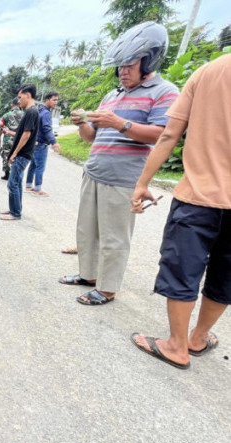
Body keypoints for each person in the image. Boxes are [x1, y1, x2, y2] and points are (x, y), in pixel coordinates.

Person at [58, 21, 179, 306]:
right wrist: (83, 123)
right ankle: (88, 276)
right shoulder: (112, 95)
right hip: (94, 172)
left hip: (123, 178)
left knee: (114, 236)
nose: (122, 71)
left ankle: (108, 288)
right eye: (120, 66)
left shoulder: (164, 91)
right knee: (87, 230)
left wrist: (119, 123)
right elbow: (91, 138)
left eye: (130, 64)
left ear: (148, 60)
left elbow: (162, 135)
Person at [130, 53, 231, 369]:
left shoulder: (209, 72)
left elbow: (170, 134)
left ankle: (176, 345)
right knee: (225, 274)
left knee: (182, 267)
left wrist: (143, 183)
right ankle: (198, 338)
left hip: (198, 196)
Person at [0, 83, 39, 221]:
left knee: (12, 183)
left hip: (23, 154)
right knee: (17, 182)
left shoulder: (31, 112)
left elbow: (26, 135)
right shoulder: (29, 112)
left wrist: (15, 152)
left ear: (28, 95)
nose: (19, 100)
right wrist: (10, 133)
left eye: (20, 97)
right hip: (23, 154)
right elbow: (20, 133)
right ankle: (14, 209)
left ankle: (15, 213)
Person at [25, 91, 61, 196]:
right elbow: (47, 129)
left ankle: (28, 186)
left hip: (34, 143)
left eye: (57, 100)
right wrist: (54, 142)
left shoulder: (39, 110)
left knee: (33, 165)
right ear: (47, 100)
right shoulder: (46, 113)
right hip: (40, 144)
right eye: (54, 100)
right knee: (40, 166)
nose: (56, 102)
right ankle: (37, 189)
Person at [0, 98, 24, 180]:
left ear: (12, 105)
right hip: (19, 140)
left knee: (6, 156)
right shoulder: (24, 114)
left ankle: (7, 174)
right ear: (19, 104)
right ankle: (16, 174)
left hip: (7, 139)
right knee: (18, 156)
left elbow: (1, 128)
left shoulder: (5, 115)